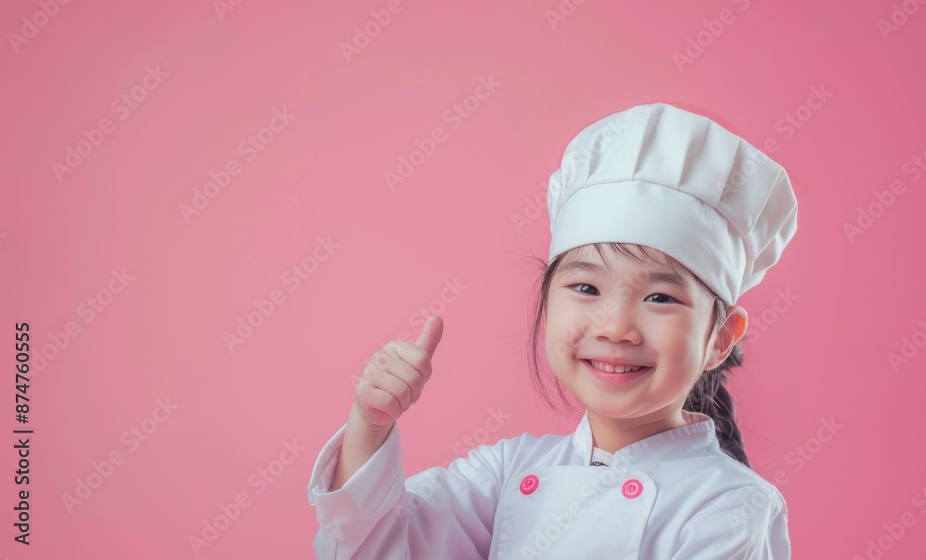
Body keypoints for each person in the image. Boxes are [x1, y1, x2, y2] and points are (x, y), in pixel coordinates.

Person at [306, 102, 798, 559]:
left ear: (720, 337)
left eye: (659, 298)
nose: (616, 327)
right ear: (545, 304)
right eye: (586, 288)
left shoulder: (732, 507)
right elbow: (375, 549)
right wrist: (370, 423)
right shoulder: (507, 471)